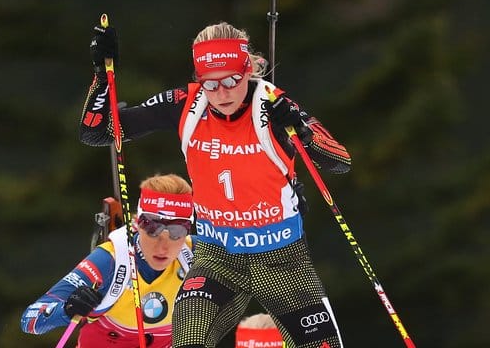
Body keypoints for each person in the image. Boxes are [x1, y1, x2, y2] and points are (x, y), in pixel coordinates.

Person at [80, 21, 351, 348]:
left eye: (232, 80)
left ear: (249, 70)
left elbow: (339, 161)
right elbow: (98, 131)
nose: (221, 93)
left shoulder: (273, 107)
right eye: (210, 84)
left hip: (280, 258)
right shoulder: (186, 104)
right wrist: (101, 73)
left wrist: (300, 131)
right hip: (217, 258)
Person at [20, 173, 198, 348]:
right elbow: (29, 320)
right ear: (138, 224)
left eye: (176, 232)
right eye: (153, 229)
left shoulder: (196, 255)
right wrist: (66, 309)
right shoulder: (110, 260)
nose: (163, 247)